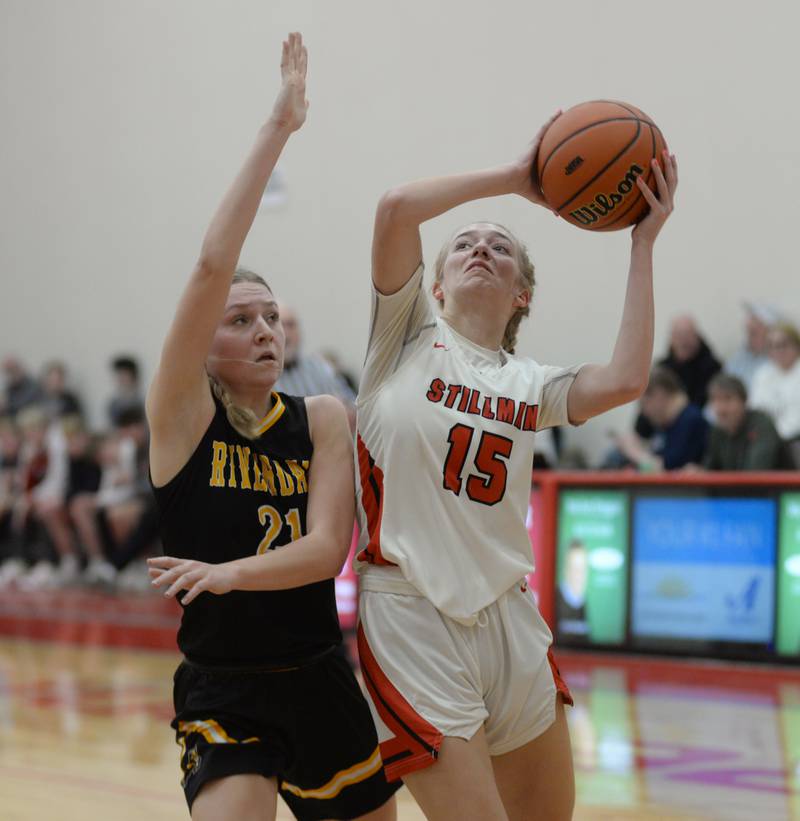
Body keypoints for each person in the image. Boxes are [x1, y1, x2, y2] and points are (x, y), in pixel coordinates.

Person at [353, 114, 677, 821]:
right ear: (433, 287)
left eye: (500, 248)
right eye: (464, 243)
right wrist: (515, 180)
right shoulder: (403, 338)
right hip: (413, 615)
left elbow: (624, 378)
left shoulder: (530, 383)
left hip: (511, 616)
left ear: (522, 293)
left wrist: (642, 244)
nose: (480, 248)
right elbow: (395, 210)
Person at [144, 34, 398, 821]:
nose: (264, 330)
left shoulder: (324, 417)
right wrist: (278, 128)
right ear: (205, 347)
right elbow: (209, 265)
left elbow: (327, 551)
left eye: (270, 317)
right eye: (240, 319)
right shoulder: (182, 416)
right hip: (224, 685)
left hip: (319, 673)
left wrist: (227, 574)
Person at [273, 301, 357, 427]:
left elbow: (352, 409)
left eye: (291, 325)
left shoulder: (319, 367)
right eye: (281, 325)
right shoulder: (262, 375)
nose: (287, 334)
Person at [615, 367, 708, 471]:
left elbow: (666, 469)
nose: (644, 413)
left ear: (660, 394)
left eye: (644, 404)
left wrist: (633, 451)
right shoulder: (666, 422)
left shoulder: (691, 421)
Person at [704, 374, 794, 471]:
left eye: (728, 399)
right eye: (715, 400)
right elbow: (709, 470)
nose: (721, 409)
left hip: (777, 486)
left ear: (744, 401)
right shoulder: (717, 430)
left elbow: (756, 474)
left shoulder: (761, 425)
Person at [749, 322, 800, 452]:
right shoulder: (763, 374)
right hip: (767, 439)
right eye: (771, 346)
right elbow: (755, 409)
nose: (778, 351)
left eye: (783, 345)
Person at [725, 302, 780, 391]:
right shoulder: (740, 356)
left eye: (754, 333)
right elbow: (723, 385)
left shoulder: (779, 360)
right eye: (748, 332)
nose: (749, 338)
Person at [107, 355, 145, 428]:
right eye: (119, 375)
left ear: (133, 376)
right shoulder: (113, 405)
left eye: (124, 375)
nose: (121, 379)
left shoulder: (144, 402)